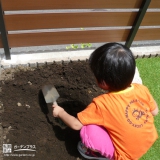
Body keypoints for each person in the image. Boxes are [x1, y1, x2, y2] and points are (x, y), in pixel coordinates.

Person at [52, 42, 159, 160]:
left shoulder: (102, 104)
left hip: (125, 155)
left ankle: (97, 154)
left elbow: (76, 125)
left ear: (103, 83)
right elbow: (155, 112)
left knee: (88, 130)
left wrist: (60, 112)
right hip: (148, 140)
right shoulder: (141, 89)